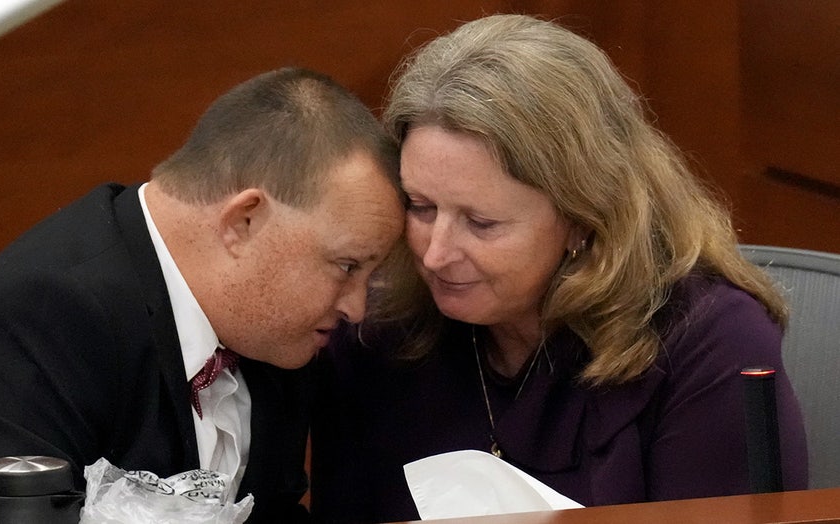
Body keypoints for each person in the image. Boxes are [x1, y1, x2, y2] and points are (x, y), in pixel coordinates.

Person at [310, 14, 808, 523]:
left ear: (581, 218)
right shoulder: (376, 330)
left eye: (481, 223)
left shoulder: (708, 342)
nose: (435, 254)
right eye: (420, 207)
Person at [0, 67, 405, 522]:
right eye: (346, 266)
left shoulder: (270, 332)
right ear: (244, 220)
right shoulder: (33, 321)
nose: (355, 306)